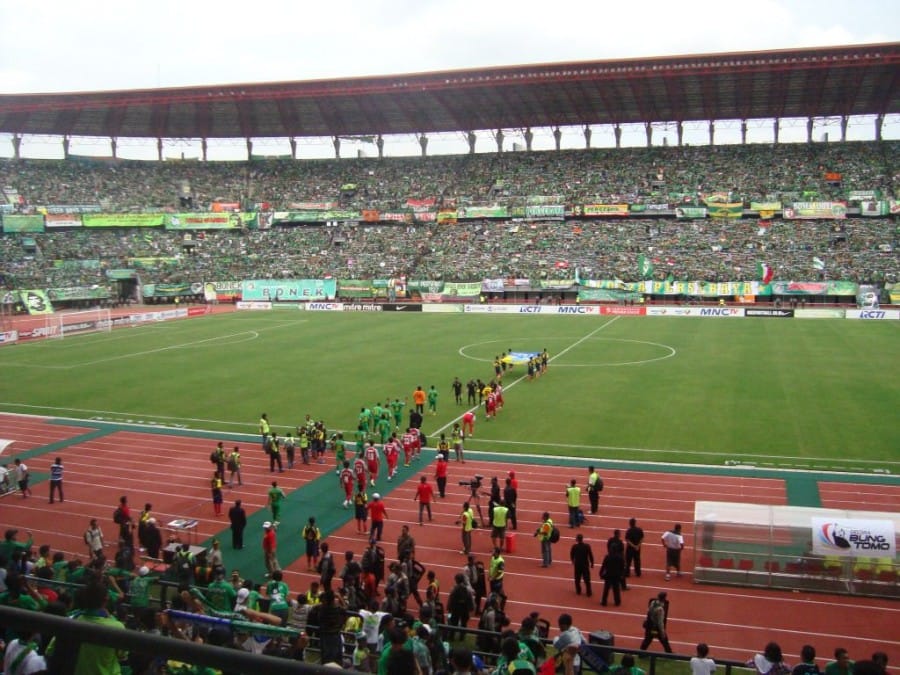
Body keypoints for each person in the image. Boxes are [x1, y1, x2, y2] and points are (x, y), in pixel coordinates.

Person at [599, 542, 625, 607]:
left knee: (606, 589)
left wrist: (601, 573)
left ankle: (604, 601)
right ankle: (617, 602)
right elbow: (622, 567)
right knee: (616, 589)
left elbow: (603, 566)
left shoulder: (607, 557)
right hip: (616, 575)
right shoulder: (620, 557)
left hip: (608, 574)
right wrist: (622, 575)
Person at [489, 547, 507, 611]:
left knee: (500, 595)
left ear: (496, 553)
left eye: (493, 551)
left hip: (497, 580)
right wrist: (489, 575)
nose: (492, 552)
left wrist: (493, 578)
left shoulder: (500, 561)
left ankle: (501, 608)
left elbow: (500, 572)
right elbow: (491, 567)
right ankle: (493, 605)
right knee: (493, 592)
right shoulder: (493, 558)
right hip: (493, 579)